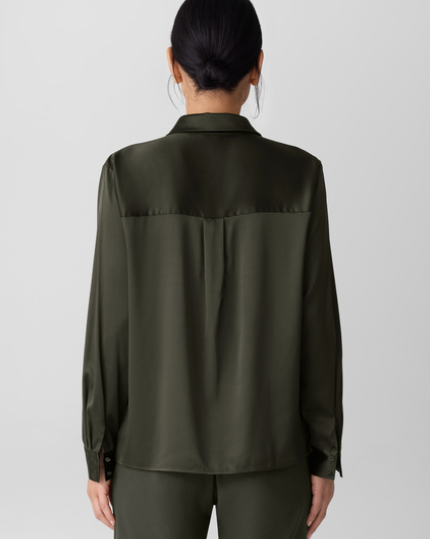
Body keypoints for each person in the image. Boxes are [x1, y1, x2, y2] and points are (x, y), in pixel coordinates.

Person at [81, 0, 344, 538]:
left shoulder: (126, 176)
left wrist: (97, 452)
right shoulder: (300, 177)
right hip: (272, 453)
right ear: (257, 66)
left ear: (174, 64)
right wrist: (324, 453)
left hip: (151, 455)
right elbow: (318, 328)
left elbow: (109, 329)